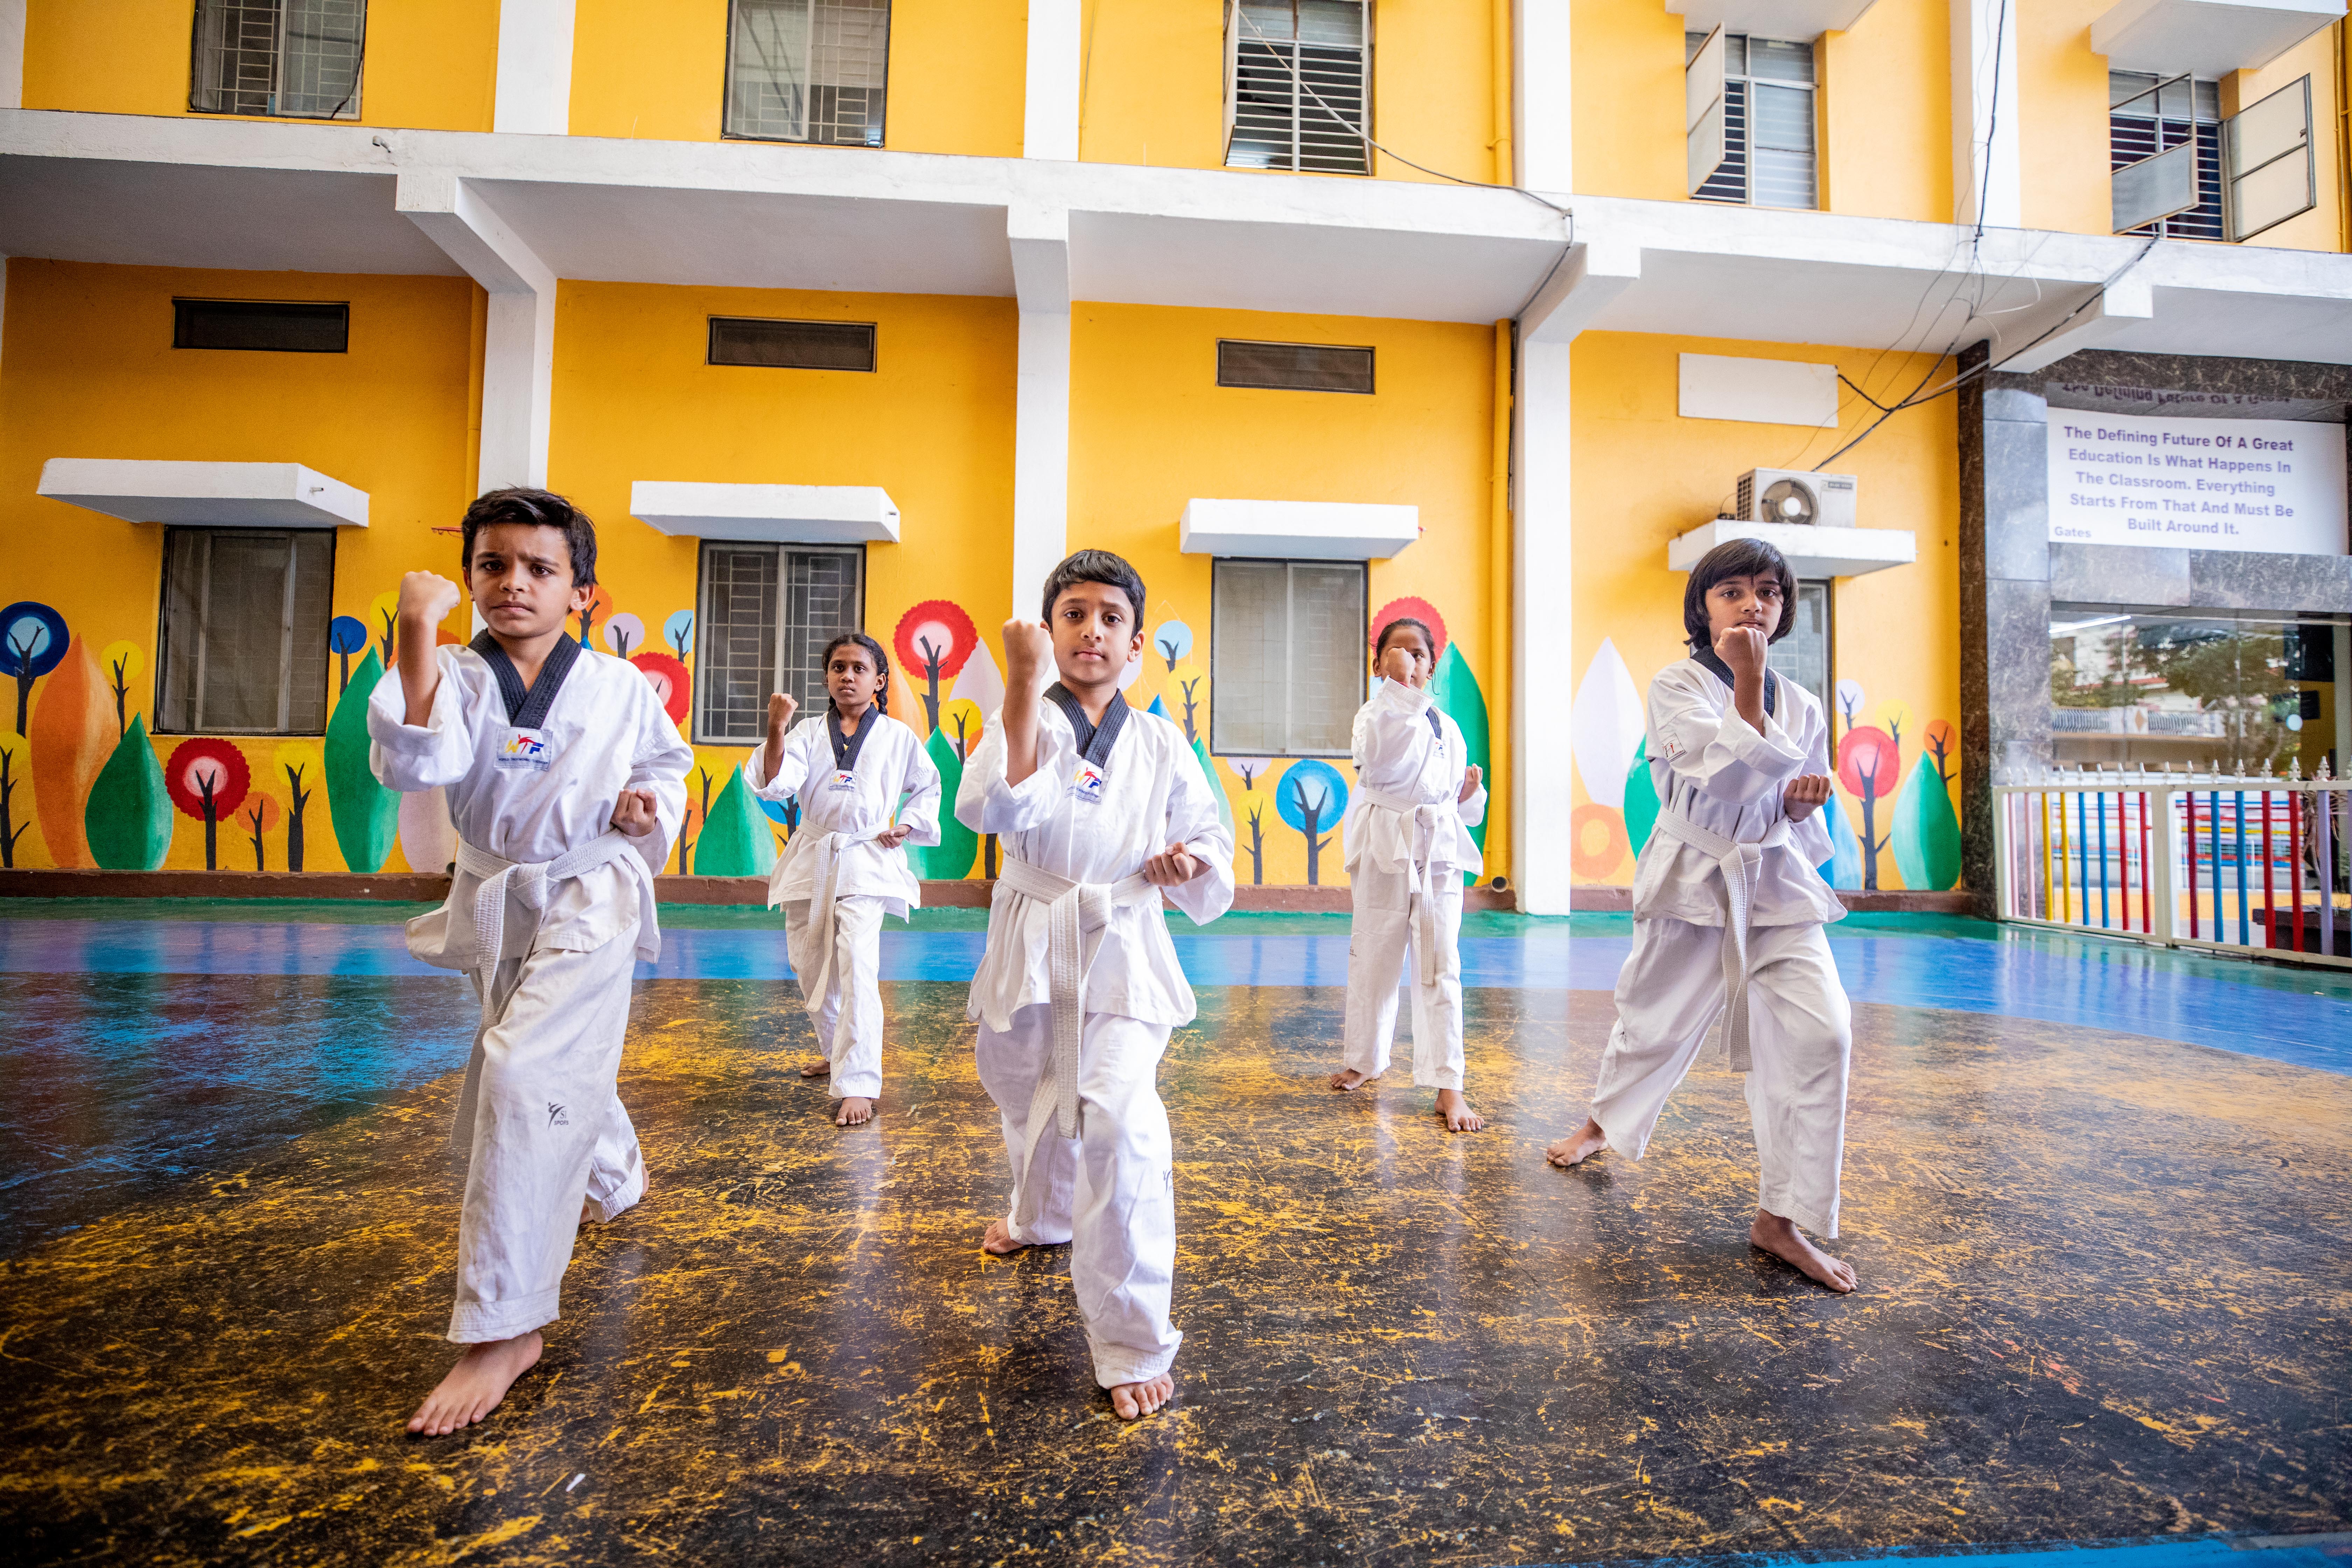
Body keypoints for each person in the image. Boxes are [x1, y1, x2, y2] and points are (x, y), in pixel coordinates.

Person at [369, 488, 692, 1435]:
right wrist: (416, 626)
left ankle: (505, 1326)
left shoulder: (623, 687)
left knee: (521, 1065)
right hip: (499, 890)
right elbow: (412, 761)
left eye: (539, 569)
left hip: (591, 891)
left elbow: (665, 770)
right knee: (542, 1047)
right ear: (469, 578)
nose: (514, 584)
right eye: (493, 566)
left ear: (582, 593)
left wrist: (647, 808)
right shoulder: (457, 675)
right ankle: (615, 1178)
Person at [957, 549, 1234, 1420]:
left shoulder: (1160, 740)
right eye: (1074, 614)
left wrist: (1187, 858)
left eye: (1111, 618)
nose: (1093, 631)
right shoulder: (1020, 715)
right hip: (1033, 933)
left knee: (1117, 1116)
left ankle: (1132, 1337)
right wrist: (1019, 687)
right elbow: (992, 810)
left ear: (1137, 645)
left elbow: (1209, 841)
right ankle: (1040, 1217)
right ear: (1049, 631)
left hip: (1122, 944)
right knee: (1024, 1092)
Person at [1545, 537, 1857, 1294]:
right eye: (1734, 591)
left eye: (1770, 592)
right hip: (1693, 874)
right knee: (1652, 1021)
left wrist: (1796, 803)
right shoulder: (1675, 685)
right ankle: (1605, 1123)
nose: (1755, 603)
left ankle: (1781, 1218)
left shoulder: (1806, 704)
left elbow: (1779, 803)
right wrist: (1747, 678)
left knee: (1826, 1032)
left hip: (1773, 883)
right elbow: (1721, 778)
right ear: (1703, 605)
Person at [743, 632, 941, 1127]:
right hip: (813, 856)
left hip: (867, 858)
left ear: (878, 679)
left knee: (855, 963)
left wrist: (909, 824)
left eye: (858, 668)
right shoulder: (807, 733)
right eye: (838, 668)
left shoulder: (897, 738)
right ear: (827, 677)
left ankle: (858, 1081)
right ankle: (837, 1051)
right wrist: (775, 728)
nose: (847, 676)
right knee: (808, 966)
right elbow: (774, 783)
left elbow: (928, 787)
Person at [1331, 616, 1488, 1132]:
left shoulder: (1449, 726)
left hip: (1437, 849)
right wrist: (1397, 695)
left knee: (1442, 963)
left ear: (1433, 666)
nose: (1409, 662)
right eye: (1396, 654)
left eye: (1419, 654)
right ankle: (1365, 1059)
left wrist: (1467, 796)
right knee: (1374, 952)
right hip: (1385, 847)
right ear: (1378, 665)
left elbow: (1454, 806)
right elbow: (1381, 763)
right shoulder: (1372, 717)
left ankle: (1449, 1085)